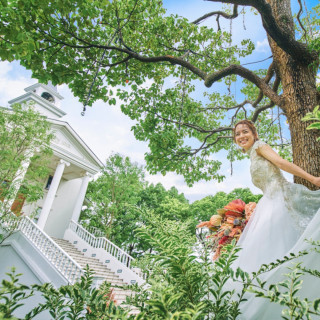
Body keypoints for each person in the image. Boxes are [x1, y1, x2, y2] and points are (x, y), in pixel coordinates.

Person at [231, 120, 320, 319]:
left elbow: (281, 163)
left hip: (280, 199)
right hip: (267, 203)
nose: (241, 136)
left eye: (245, 131)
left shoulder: (260, 147)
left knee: (280, 248)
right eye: (238, 134)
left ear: (254, 133)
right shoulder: (252, 156)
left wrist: (313, 179)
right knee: (264, 252)